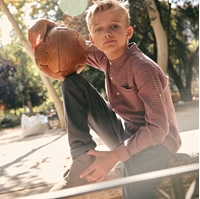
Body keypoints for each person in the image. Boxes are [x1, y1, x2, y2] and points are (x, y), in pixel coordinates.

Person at [28, 0, 182, 198]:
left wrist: (114, 156)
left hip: (157, 143)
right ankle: (81, 158)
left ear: (128, 32)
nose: (107, 33)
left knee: (134, 193)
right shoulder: (104, 56)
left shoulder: (143, 68)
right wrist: (48, 25)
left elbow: (158, 129)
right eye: (99, 30)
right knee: (71, 83)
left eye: (114, 26)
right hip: (126, 133)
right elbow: (69, 45)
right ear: (93, 38)